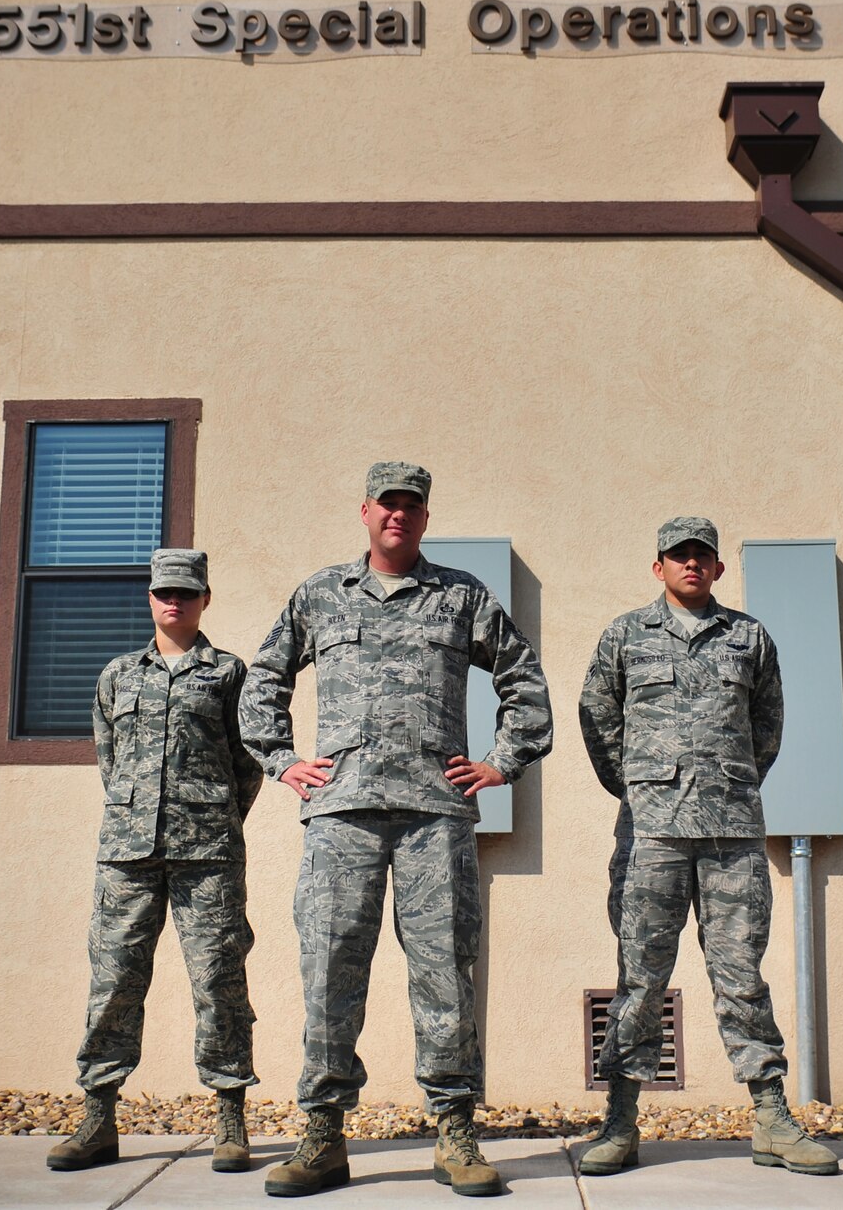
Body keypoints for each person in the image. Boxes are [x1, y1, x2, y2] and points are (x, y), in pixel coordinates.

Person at [240, 461, 553, 1199]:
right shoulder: (319, 594)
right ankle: (322, 1133)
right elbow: (264, 681)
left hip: (433, 817)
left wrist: (502, 762)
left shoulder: (462, 597)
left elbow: (524, 683)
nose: (399, 516)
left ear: (424, 517)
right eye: (388, 504)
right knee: (328, 969)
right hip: (341, 814)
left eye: (412, 506)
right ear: (365, 510)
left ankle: (454, 1129)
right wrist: (283, 761)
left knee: (445, 969)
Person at [577, 517, 839, 1177]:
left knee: (741, 977)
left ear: (718, 567)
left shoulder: (749, 638)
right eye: (678, 555)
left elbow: (767, 729)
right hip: (652, 836)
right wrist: (640, 786)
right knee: (641, 979)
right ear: (658, 565)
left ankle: (773, 1116)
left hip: (732, 837)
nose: (691, 563)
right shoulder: (625, 636)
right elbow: (596, 719)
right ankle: (620, 1118)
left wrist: (729, 783)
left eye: (702, 555)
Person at [47, 548, 263, 1174]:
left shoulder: (228, 674)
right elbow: (108, 756)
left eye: (187, 594)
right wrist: (139, 814)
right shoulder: (118, 675)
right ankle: (97, 1114)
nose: (175, 603)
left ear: (205, 600)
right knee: (114, 981)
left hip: (208, 856)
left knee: (219, 983)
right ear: (149, 597)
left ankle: (229, 1112)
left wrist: (211, 817)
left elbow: (245, 765)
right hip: (127, 856)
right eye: (164, 593)